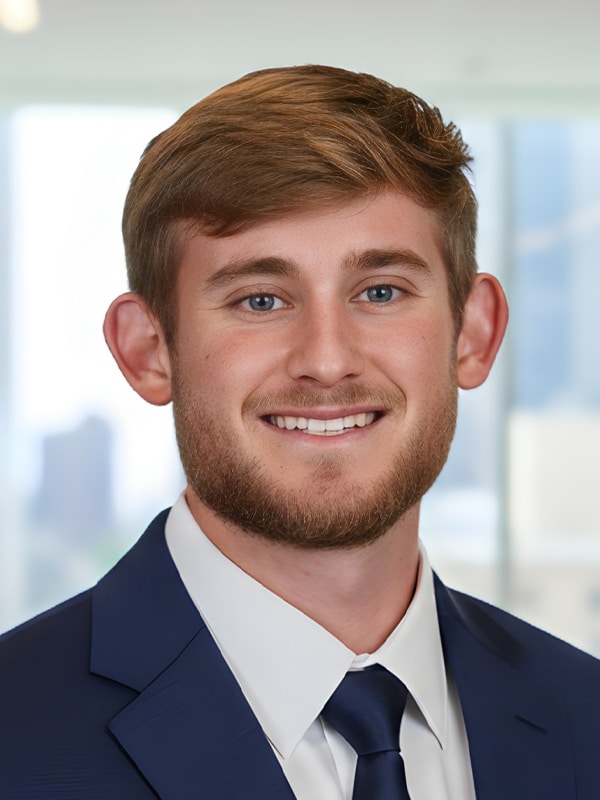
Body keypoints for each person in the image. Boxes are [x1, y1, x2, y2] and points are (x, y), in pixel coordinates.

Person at [0, 65, 598, 800]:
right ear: (148, 350)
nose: (326, 360)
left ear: (474, 334)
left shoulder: (586, 714)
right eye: (260, 298)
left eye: (380, 292)